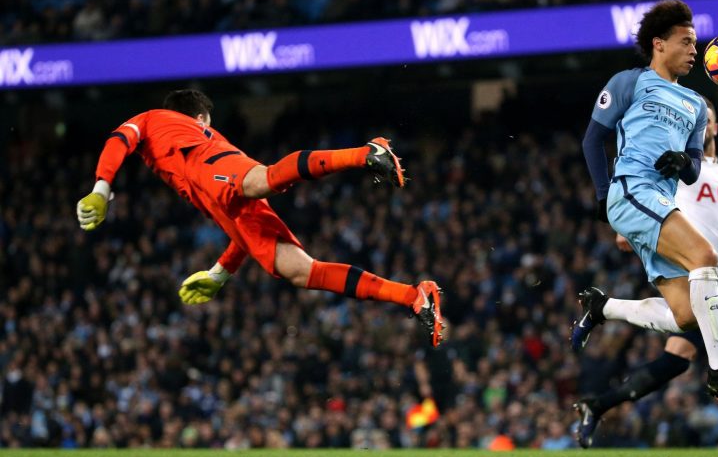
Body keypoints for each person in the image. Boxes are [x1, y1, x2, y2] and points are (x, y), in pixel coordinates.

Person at [75, 89, 444, 347]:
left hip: (210, 166)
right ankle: (413, 295)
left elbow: (117, 140)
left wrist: (101, 189)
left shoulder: (153, 120)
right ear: (202, 116)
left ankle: (366, 153)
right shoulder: (180, 170)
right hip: (219, 192)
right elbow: (237, 227)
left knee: (264, 179)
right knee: (301, 271)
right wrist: (219, 274)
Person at [577, 0, 718, 406]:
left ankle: (603, 307)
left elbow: (695, 169)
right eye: (687, 41)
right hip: (631, 191)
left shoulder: (697, 106)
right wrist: (603, 193)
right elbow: (593, 139)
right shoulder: (630, 82)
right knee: (705, 255)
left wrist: (683, 161)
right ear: (659, 43)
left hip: (660, 198)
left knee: (686, 317)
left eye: (696, 43)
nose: (695, 50)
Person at [573, 97, 718, 450]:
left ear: (715, 127)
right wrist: (631, 229)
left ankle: (597, 403)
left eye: (709, 119)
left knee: (674, 361)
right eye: (700, 119)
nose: (704, 124)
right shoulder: (679, 171)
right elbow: (650, 205)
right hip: (688, 265)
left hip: (711, 275)